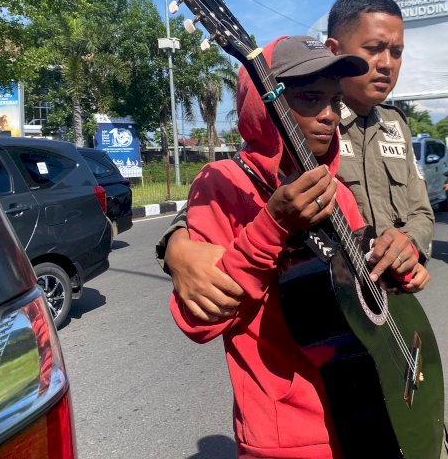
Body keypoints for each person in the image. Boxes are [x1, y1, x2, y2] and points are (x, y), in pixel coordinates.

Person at [170, 35, 431, 459]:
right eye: (310, 98)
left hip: (367, 410)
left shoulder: (336, 192)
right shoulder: (221, 184)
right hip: (285, 439)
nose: (329, 116)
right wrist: (273, 225)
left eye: (333, 100)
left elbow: (355, 289)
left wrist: (397, 268)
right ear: (263, 104)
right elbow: (199, 322)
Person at [157, 0, 434, 322]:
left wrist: (407, 246)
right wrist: (176, 246)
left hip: (376, 307)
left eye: (397, 52)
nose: (387, 64)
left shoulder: (395, 124)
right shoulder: (289, 122)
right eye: (374, 49)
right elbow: (232, 189)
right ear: (334, 49)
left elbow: (420, 210)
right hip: (314, 306)